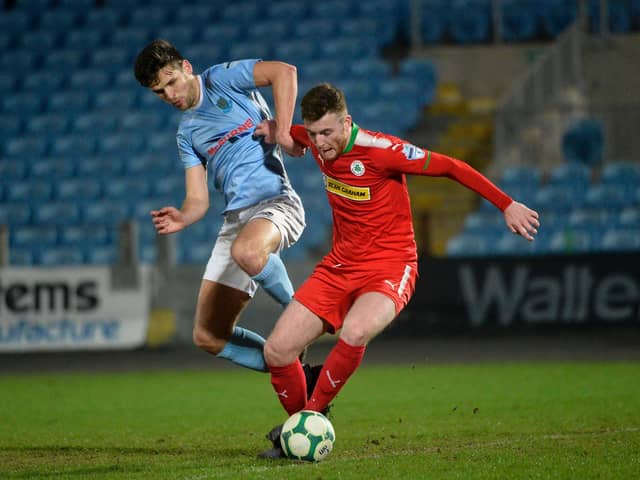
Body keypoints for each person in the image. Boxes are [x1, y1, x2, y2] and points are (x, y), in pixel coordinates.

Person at [254, 83, 540, 458]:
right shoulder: (313, 140)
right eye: (313, 134)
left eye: (327, 132)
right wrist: (274, 130)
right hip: (340, 265)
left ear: (346, 123)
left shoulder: (381, 150)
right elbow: (290, 133)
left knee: (355, 331)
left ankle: (309, 415)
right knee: (277, 350)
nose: (319, 143)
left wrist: (506, 204)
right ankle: (305, 422)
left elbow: (451, 167)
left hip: (391, 265)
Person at [133, 39, 307, 373]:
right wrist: (183, 216)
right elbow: (198, 199)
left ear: (186, 68)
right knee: (207, 336)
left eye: (171, 82)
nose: (169, 95)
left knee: (248, 252)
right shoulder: (187, 134)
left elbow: (284, 72)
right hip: (236, 222)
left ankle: (304, 313)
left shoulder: (221, 79)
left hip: (277, 202)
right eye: (159, 92)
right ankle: (295, 375)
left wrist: (282, 130)